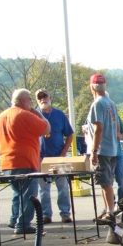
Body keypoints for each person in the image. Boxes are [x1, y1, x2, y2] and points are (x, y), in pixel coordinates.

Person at [0, 88, 50, 234]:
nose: (31, 102)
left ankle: (14, 220)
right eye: (30, 99)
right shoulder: (24, 114)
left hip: (7, 162)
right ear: (23, 100)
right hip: (25, 161)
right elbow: (46, 129)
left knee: (18, 192)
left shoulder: (1, 116)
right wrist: (38, 113)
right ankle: (23, 225)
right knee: (29, 195)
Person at [35, 89, 74, 224]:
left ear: (50, 97)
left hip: (58, 157)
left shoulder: (59, 114)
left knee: (62, 187)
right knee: (43, 189)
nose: (42, 99)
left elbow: (70, 135)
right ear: (36, 100)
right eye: (39, 97)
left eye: (44, 96)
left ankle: (65, 214)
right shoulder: (33, 115)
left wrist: (63, 153)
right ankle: (46, 215)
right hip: (41, 158)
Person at [87, 74, 119, 220]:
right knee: (105, 181)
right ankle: (107, 210)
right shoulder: (111, 103)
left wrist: (94, 151)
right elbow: (116, 126)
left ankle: (110, 212)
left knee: (105, 182)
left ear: (92, 87)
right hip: (112, 148)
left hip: (102, 149)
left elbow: (98, 128)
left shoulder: (97, 104)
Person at [114, 113, 123, 206]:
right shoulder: (96, 114)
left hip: (117, 154)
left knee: (121, 179)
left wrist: (120, 136)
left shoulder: (115, 116)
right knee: (107, 183)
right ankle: (110, 205)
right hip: (104, 154)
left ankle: (122, 203)